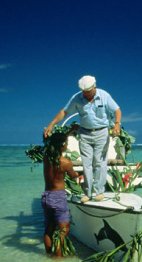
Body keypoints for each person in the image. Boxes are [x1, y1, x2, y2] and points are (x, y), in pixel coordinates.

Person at [44, 75, 121, 203]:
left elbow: (117, 110)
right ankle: (88, 193)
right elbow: (64, 112)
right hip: (84, 133)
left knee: (100, 162)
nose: (86, 94)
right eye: (84, 91)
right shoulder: (77, 98)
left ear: (94, 87)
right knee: (86, 163)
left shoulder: (104, 95)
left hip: (102, 132)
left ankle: (99, 191)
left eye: (88, 91)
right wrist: (51, 124)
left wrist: (117, 124)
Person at [42, 132, 79, 257]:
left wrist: (69, 131)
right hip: (58, 197)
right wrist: (81, 174)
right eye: (67, 143)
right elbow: (73, 176)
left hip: (46, 196)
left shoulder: (46, 157)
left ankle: (48, 256)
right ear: (62, 146)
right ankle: (58, 260)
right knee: (63, 230)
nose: (67, 145)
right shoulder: (65, 162)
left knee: (49, 230)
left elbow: (51, 142)